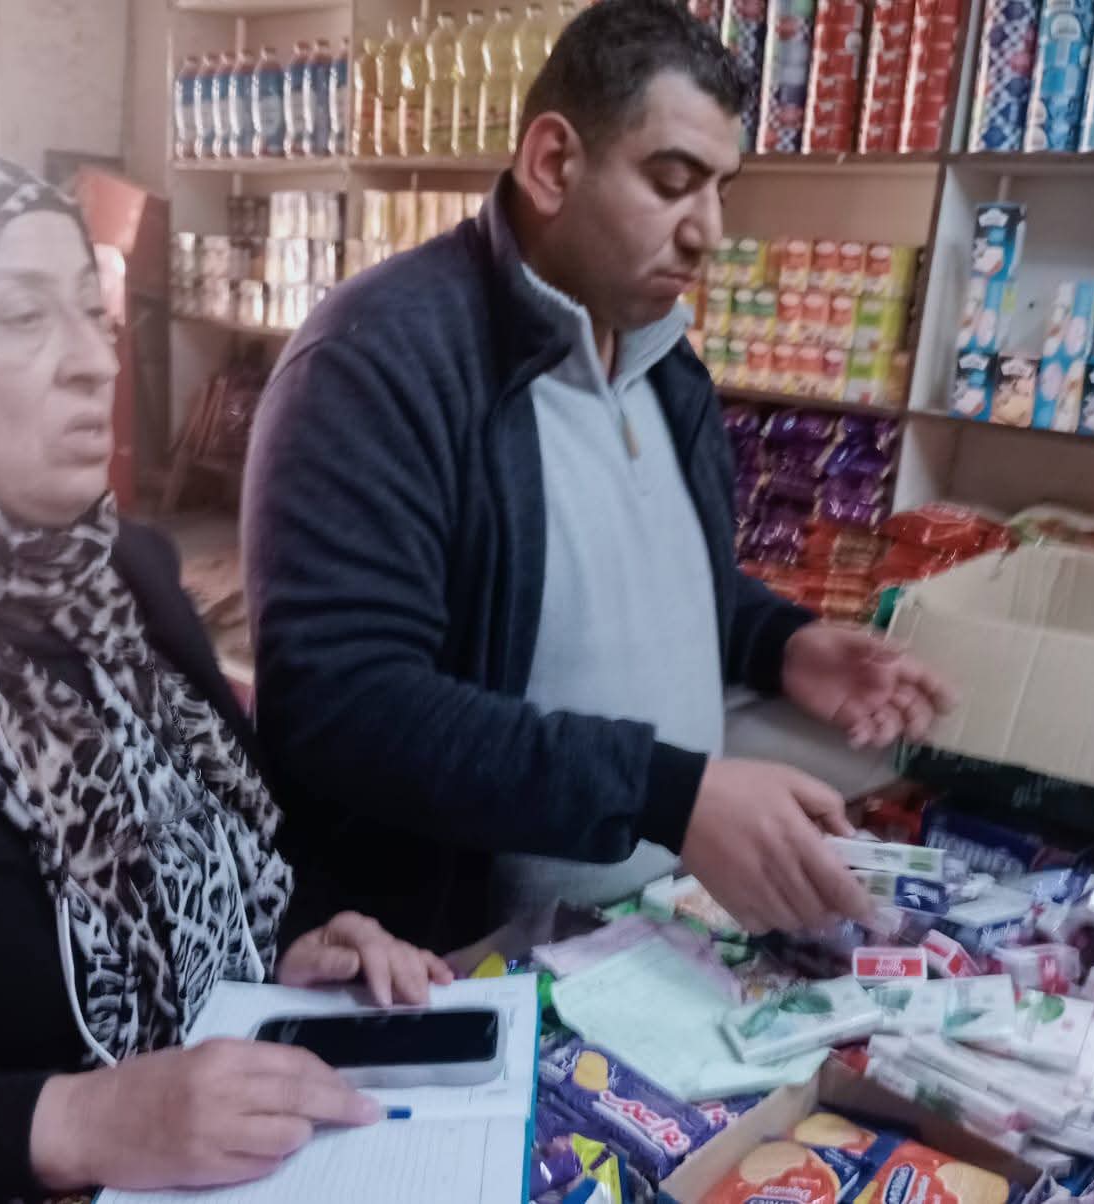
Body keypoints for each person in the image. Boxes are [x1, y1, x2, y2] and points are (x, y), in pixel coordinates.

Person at [0, 146, 451, 1203]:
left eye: (93, 311)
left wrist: (291, 940)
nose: (94, 363)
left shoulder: (123, 582)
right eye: (23, 317)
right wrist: (69, 1119)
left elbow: (216, 852)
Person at [242, 0, 954, 956]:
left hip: (651, 933)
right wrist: (667, 794)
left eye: (721, 190)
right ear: (552, 163)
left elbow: (636, 577)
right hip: (455, 957)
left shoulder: (666, 364)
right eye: (672, 183)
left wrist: (781, 644)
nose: (708, 232)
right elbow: (346, 704)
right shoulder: (377, 361)